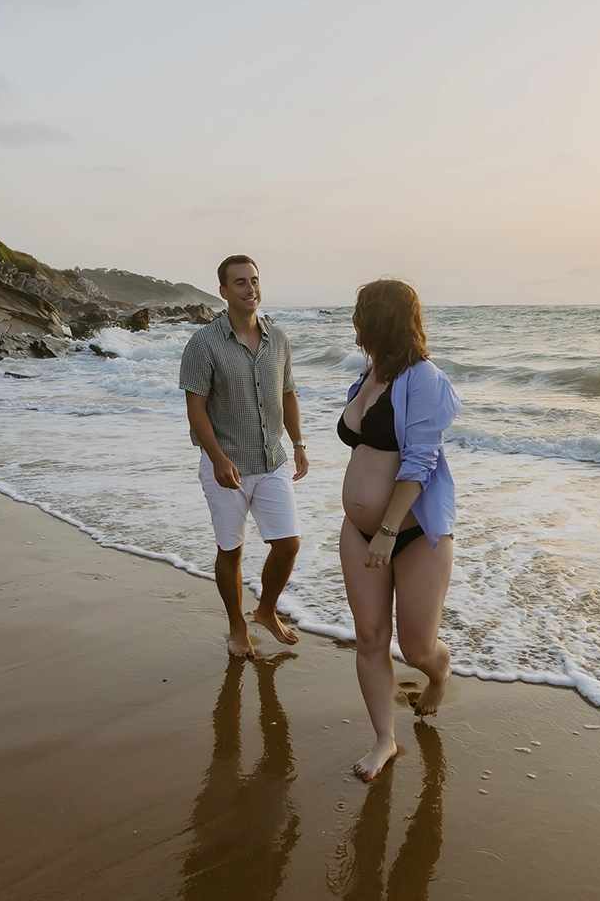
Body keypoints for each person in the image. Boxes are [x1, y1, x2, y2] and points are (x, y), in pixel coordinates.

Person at [336, 279, 461, 781]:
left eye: (361, 311)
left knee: (416, 648)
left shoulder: (425, 378)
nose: (354, 320)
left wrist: (387, 529)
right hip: (357, 530)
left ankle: (440, 672)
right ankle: (384, 740)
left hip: (411, 534)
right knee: (369, 636)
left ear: (380, 319)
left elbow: (420, 463)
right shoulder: (369, 375)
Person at [180, 255, 309, 658]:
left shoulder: (279, 339)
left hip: (272, 460)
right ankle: (237, 626)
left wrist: (299, 444)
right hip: (226, 464)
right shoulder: (203, 343)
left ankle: (266, 611)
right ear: (223, 291)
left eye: (254, 280)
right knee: (231, 550)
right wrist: (217, 457)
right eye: (239, 282)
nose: (250, 288)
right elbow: (196, 407)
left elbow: (288, 394)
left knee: (288, 544)